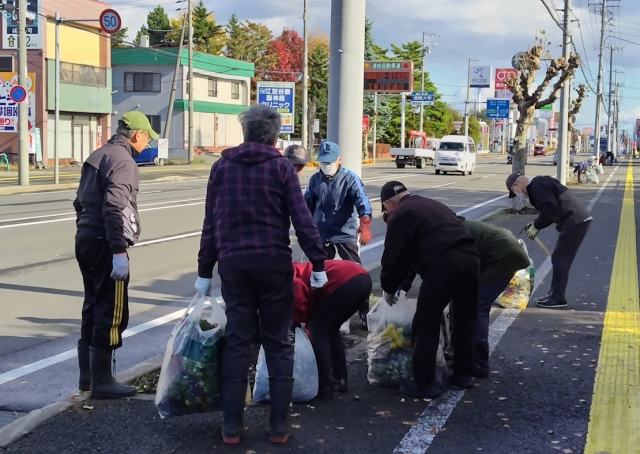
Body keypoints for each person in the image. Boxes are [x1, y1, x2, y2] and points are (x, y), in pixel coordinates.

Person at [195, 104, 327, 446]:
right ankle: (279, 427)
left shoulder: (221, 168)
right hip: (273, 265)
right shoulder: (281, 169)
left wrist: (203, 270)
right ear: (274, 136)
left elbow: (211, 223)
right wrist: (318, 263)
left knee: (238, 342)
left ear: (245, 132)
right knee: (277, 341)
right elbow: (302, 219)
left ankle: (231, 427)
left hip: (234, 266)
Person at [73, 111, 158, 399]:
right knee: (111, 309)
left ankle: (87, 377)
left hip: (86, 238)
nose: (147, 144)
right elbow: (114, 207)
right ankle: (103, 380)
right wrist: (118, 250)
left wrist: (86, 230)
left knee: (91, 304)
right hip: (107, 242)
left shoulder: (98, 155)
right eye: (147, 138)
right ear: (137, 135)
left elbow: (79, 202)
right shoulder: (124, 162)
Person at [379, 181, 480, 399]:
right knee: (465, 319)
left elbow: (394, 258)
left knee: (426, 321)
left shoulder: (400, 214)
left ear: (388, 203)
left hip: (443, 263)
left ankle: (425, 383)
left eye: (385, 209)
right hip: (471, 257)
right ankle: (464, 375)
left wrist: (388, 286)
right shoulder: (431, 204)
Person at [399, 217, 530, 378]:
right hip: (492, 252)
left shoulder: (441, 234)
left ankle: (478, 361)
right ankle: (459, 352)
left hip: (502, 255)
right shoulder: (441, 227)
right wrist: (401, 288)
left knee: (476, 306)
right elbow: (414, 266)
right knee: (462, 301)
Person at [506, 172, 591, 308]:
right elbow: (550, 209)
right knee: (559, 258)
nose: (517, 194)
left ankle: (558, 297)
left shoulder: (537, 186)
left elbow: (550, 208)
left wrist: (537, 225)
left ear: (516, 185)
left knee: (560, 259)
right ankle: (554, 294)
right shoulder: (539, 183)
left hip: (574, 220)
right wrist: (536, 223)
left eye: (514, 192)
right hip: (575, 219)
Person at [292, 260, 372, 400]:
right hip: (361, 279)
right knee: (331, 329)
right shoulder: (295, 268)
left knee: (318, 330)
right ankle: (340, 379)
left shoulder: (286, 274)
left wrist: (297, 319)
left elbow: (299, 296)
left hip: (343, 281)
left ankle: (324, 386)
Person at [304, 141, 372, 263]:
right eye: (323, 163)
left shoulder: (350, 178)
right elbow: (306, 205)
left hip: (344, 231)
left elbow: (362, 200)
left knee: (353, 268)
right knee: (319, 269)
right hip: (321, 232)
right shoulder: (315, 179)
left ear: (339, 160)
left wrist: (364, 225)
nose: (326, 166)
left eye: (330, 162)